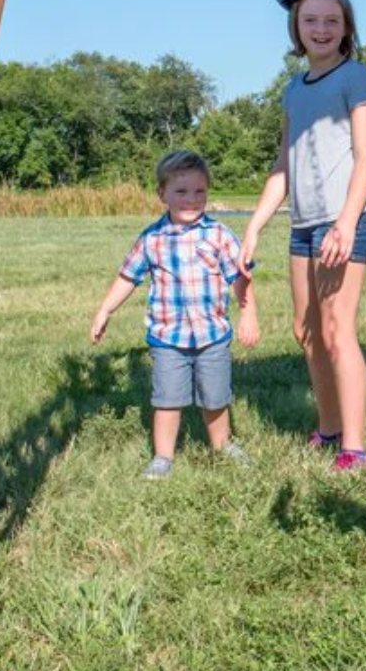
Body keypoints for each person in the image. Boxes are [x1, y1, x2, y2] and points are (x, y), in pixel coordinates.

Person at [241, 0, 366, 472]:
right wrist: (255, 226)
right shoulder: (295, 89)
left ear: (346, 27)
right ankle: (327, 429)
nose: (321, 30)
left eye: (331, 21)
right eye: (310, 22)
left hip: (346, 217)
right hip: (304, 222)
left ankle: (355, 447)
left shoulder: (357, 78)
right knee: (306, 331)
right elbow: (284, 165)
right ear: (296, 30)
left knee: (337, 330)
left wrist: (346, 223)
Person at [91, 150, 259, 479]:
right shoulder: (152, 239)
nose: (191, 200)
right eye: (181, 192)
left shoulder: (219, 236)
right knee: (167, 399)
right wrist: (104, 310)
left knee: (215, 397)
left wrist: (249, 314)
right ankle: (163, 456)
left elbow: (240, 278)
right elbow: (128, 277)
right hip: (168, 337)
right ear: (162, 194)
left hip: (213, 335)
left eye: (199, 192)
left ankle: (223, 445)